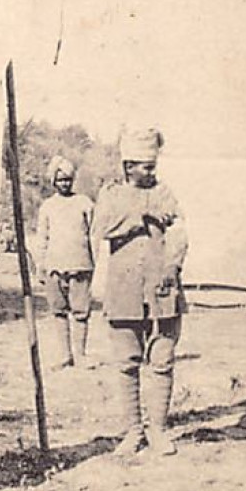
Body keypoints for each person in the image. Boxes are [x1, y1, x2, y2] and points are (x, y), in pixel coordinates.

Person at [91, 127, 188, 457]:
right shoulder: (111, 195)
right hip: (124, 291)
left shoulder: (165, 192)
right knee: (126, 363)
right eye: (145, 166)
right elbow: (102, 227)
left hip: (162, 290)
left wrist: (172, 269)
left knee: (162, 360)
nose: (151, 172)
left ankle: (158, 430)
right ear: (128, 166)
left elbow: (179, 231)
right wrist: (142, 215)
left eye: (153, 165)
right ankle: (133, 432)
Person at [35, 155, 96, 369]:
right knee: (59, 311)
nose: (64, 184)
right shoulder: (47, 207)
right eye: (60, 180)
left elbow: (94, 235)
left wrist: (96, 265)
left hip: (80, 265)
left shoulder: (84, 203)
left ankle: (80, 354)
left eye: (68, 180)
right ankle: (64, 355)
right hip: (54, 267)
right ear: (53, 182)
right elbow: (41, 239)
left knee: (80, 312)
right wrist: (40, 266)